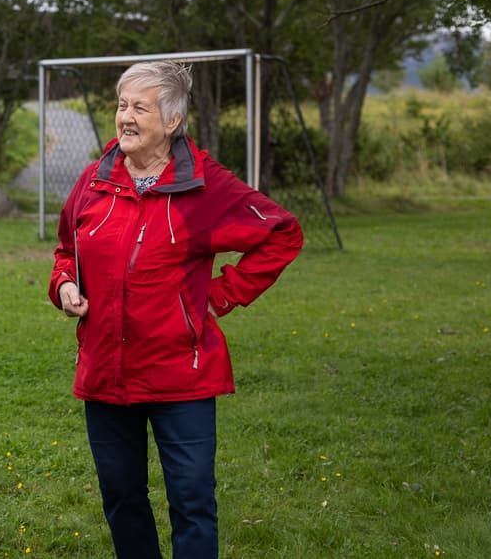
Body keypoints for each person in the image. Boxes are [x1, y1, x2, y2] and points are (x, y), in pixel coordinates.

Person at [48, 61, 303, 559]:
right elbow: (66, 250)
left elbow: (281, 232)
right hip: (106, 370)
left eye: (139, 107)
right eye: (121, 104)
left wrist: (219, 295)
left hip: (180, 376)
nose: (125, 117)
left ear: (171, 121)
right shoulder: (95, 179)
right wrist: (65, 284)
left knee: (191, 502)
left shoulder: (205, 186)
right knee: (121, 497)